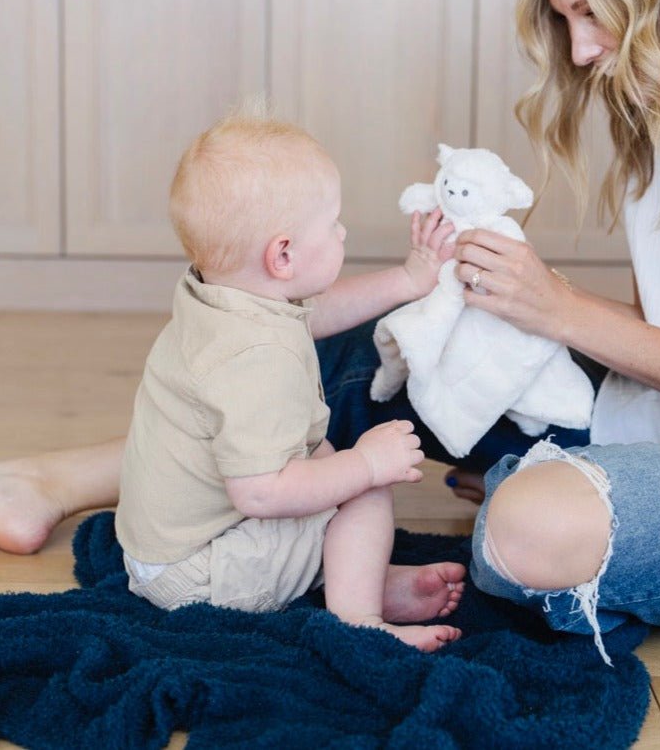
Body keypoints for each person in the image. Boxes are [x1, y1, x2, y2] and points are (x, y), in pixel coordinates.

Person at [0, 0, 660, 663]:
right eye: (565, 19)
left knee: (521, 525)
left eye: (592, 12)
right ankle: (52, 480)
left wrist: (558, 312)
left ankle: (535, 479)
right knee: (334, 343)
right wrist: (506, 317)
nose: (580, 50)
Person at [116, 112, 465, 651]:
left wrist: (408, 279)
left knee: (330, 466)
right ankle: (361, 620)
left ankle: (359, 575)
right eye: (333, 223)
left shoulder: (221, 296)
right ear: (283, 255)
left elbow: (315, 312)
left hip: (164, 551)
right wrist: (368, 464)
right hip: (203, 574)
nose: (342, 231)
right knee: (365, 488)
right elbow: (260, 493)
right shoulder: (257, 361)